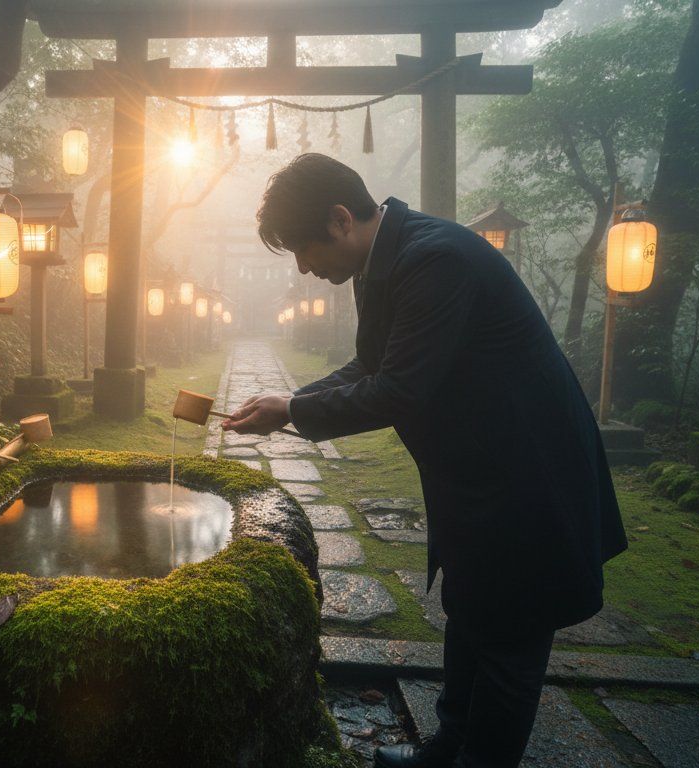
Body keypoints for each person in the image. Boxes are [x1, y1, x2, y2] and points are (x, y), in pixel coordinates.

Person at [222, 154, 626, 768]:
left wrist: (292, 411)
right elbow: (371, 365)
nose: (304, 268)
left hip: (526, 477)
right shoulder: (384, 262)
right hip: (474, 475)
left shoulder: (437, 259)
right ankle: (446, 749)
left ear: (339, 219)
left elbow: (399, 388)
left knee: (509, 641)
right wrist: (294, 402)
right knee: (470, 613)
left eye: (302, 250)